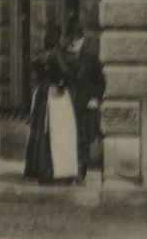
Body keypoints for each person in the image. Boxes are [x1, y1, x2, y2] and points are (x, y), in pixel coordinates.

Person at [24, 28, 79, 183]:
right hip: (56, 96)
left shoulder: (40, 55)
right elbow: (66, 73)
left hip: (42, 95)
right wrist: (66, 83)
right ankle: (56, 172)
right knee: (59, 134)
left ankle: (39, 170)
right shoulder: (55, 54)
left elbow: (35, 70)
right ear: (58, 40)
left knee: (42, 132)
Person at [66, 32, 107, 182]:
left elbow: (100, 82)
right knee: (70, 138)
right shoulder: (65, 57)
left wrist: (95, 98)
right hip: (69, 104)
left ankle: (80, 172)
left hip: (85, 105)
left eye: (76, 40)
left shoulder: (90, 59)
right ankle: (70, 171)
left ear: (82, 41)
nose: (72, 42)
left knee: (83, 139)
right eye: (71, 39)